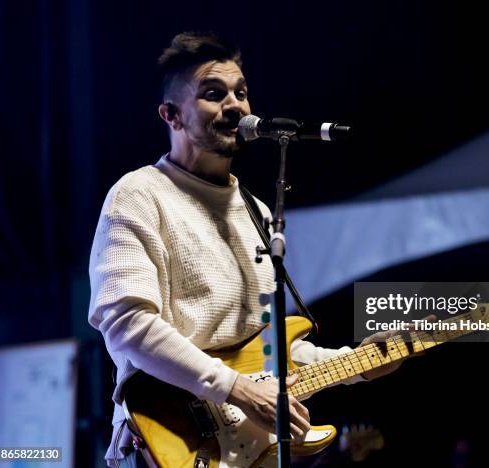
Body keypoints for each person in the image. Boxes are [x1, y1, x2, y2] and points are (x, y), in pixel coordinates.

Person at [88, 32, 404, 467]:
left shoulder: (255, 212)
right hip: (169, 440)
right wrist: (235, 389)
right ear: (171, 115)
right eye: (214, 94)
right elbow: (126, 321)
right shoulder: (139, 195)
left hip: (246, 449)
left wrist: (358, 363)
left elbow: (267, 353)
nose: (235, 105)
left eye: (241, 93)